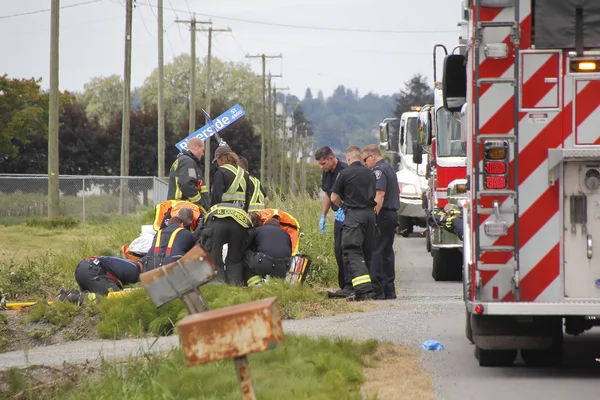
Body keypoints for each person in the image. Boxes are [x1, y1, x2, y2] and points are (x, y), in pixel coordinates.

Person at [330, 145, 377, 301]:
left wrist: (343, 206)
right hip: (370, 215)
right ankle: (364, 288)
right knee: (366, 251)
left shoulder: (345, 173)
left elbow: (334, 198)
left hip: (354, 215)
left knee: (352, 250)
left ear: (348, 158)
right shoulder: (371, 173)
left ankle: (363, 290)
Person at [362, 144, 400, 300]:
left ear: (372, 156)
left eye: (365, 160)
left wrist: (373, 215)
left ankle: (377, 289)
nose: (365, 164)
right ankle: (389, 288)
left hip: (382, 214)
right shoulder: (389, 169)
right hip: (392, 214)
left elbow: (379, 194)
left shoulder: (378, 171)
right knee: (387, 252)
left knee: (376, 250)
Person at [314, 146, 350, 295]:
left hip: (348, 213)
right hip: (338, 215)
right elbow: (328, 194)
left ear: (331, 158)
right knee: (338, 250)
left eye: (323, 164)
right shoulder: (327, 173)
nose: (322, 167)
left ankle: (350, 285)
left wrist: (343, 206)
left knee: (347, 250)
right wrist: (323, 215)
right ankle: (343, 286)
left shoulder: (345, 170)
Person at [198, 202, 253, 285]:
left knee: (215, 258)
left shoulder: (211, 211)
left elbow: (200, 231)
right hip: (240, 225)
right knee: (235, 260)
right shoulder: (242, 212)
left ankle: (217, 286)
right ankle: (235, 287)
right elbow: (250, 232)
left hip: (216, 224)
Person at [244, 218, 293, 286]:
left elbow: (247, 246)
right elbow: (290, 252)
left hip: (263, 262)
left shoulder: (259, 230)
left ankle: (256, 284)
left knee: (245, 254)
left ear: (265, 225)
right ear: (279, 227)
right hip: (283, 267)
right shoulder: (286, 233)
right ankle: (271, 284)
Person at [167, 138, 210, 212]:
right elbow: (186, 184)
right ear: (197, 147)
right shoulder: (188, 162)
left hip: (180, 207)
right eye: (202, 150)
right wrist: (199, 202)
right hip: (185, 208)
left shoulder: (183, 160)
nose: (203, 154)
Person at [210, 145, 254, 212]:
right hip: (240, 213)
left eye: (217, 161)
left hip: (224, 214)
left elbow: (216, 196)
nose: (217, 164)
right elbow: (247, 197)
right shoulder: (244, 173)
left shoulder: (221, 172)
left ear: (220, 158)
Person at [74, 256, 142, 296]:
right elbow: (137, 292)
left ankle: (70, 295)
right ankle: (72, 297)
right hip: (92, 270)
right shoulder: (134, 271)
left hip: (83, 267)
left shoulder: (130, 264)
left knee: (92, 299)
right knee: (115, 297)